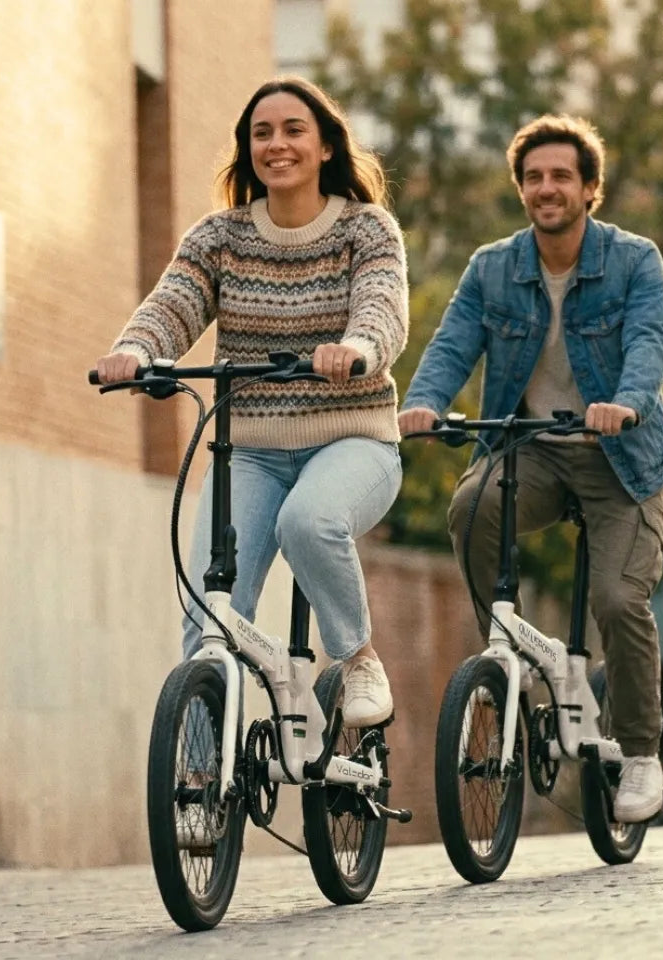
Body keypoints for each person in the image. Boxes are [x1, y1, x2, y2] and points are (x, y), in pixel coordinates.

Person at [95, 76, 408, 728]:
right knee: (210, 613)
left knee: (310, 521)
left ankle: (357, 659)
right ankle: (203, 790)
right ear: (247, 151)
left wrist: (355, 347)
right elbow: (173, 304)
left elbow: (382, 308)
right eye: (261, 134)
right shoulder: (221, 236)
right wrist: (135, 349)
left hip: (353, 441)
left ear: (325, 147)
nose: (277, 144)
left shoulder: (366, 229)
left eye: (294, 130)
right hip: (253, 451)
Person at [398, 114, 663, 821]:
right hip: (534, 454)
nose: (545, 189)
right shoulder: (493, 267)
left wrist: (626, 402)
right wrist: (425, 402)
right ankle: (518, 644)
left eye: (560, 177)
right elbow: (454, 341)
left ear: (590, 189)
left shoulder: (635, 260)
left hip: (622, 461)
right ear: (520, 190)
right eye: (533, 178)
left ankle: (641, 752)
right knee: (469, 508)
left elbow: (650, 342)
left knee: (617, 601)